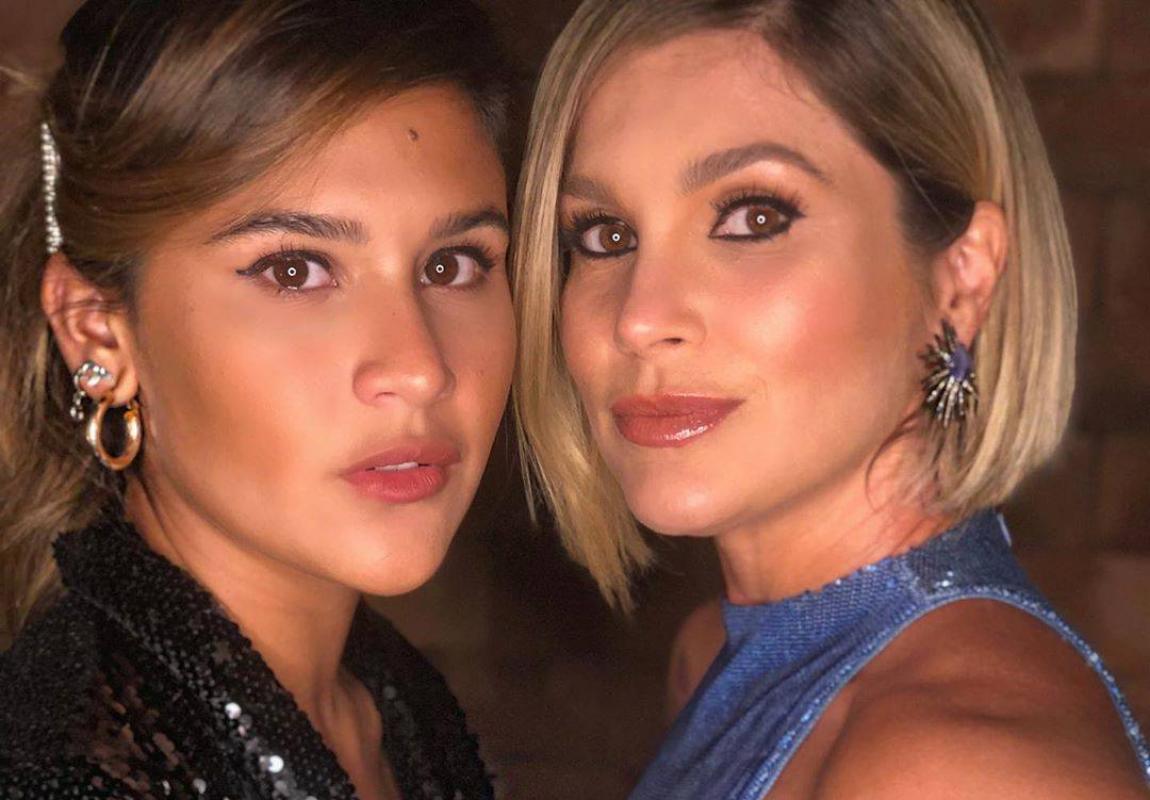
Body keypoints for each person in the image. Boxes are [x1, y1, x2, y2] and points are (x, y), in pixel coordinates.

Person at [512, 0, 1150, 797]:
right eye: (605, 234)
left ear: (961, 281)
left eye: (752, 218)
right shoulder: (715, 654)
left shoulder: (963, 769)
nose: (639, 319)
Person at [0, 1, 515, 798]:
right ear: (97, 330)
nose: (420, 369)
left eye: (453, 265)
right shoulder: (59, 771)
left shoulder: (391, 701)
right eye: (294, 271)